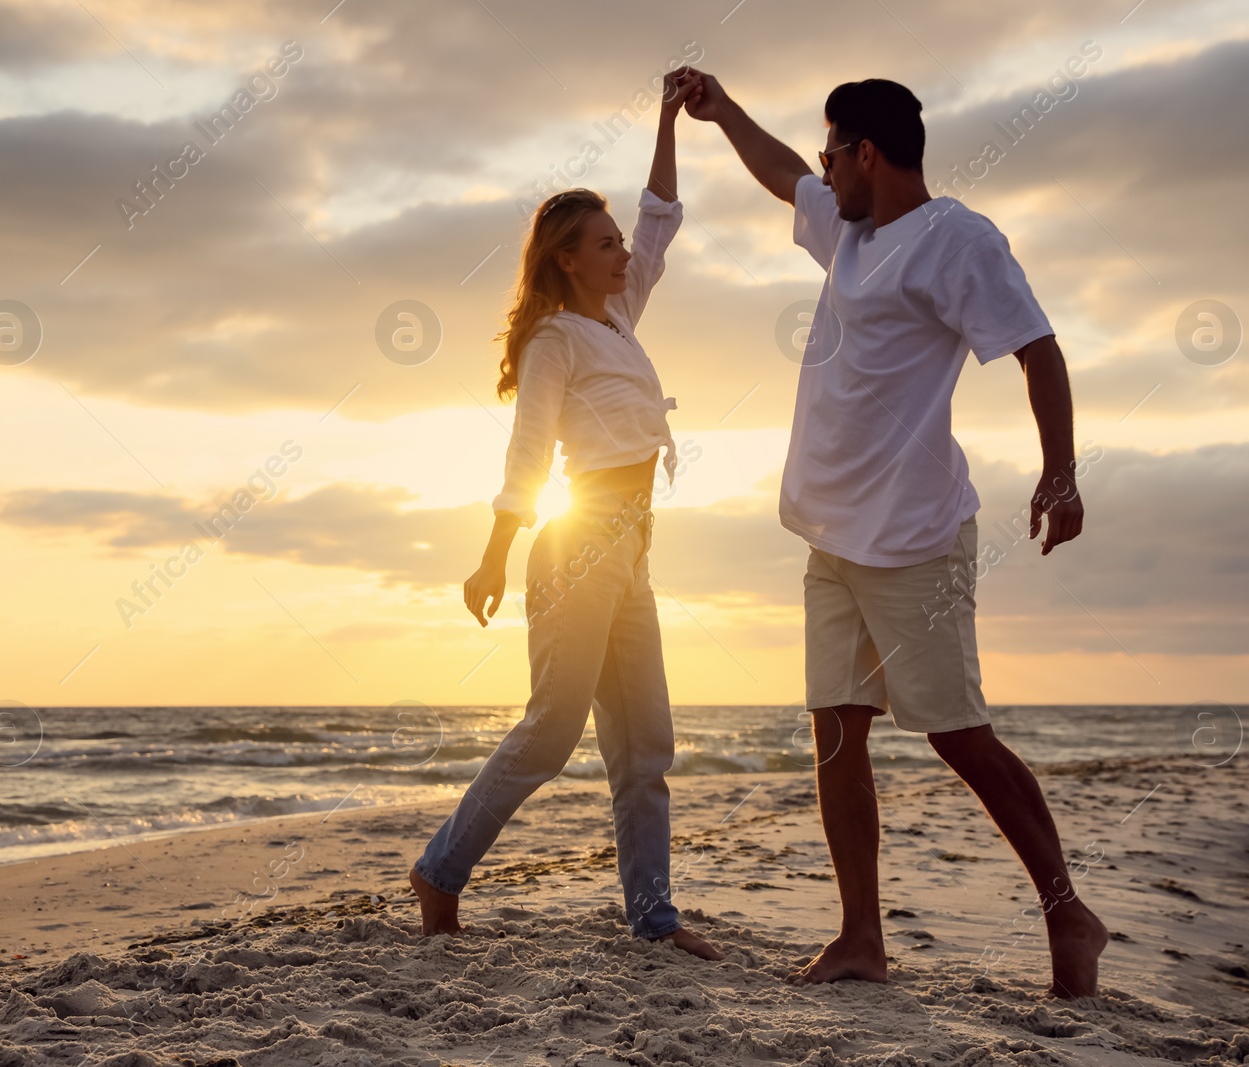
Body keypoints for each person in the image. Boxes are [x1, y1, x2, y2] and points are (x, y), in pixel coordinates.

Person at [681, 72, 1108, 997]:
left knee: (958, 734)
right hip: (830, 536)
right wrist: (720, 113)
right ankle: (861, 936)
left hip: (915, 535)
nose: (823, 171)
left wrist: (1061, 472)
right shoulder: (846, 231)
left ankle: (1068, 911)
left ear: (868, 153)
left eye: (834, 153)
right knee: (836, 731)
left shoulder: (955, 238)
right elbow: (782, 172)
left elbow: (1037, 346)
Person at [410, 69, 721, 962]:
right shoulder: (555, 341)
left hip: (634, 550)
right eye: (606, 243)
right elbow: (528, 455)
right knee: (551, 729)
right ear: (567, 259)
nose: (625, 252)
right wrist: (493, 556)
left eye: (622, 242)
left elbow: (661, 214)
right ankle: (440, 869)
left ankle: (653, 917)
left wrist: (667, 116)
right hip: (579, 546)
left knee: (645, 743)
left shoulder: (619, 318)